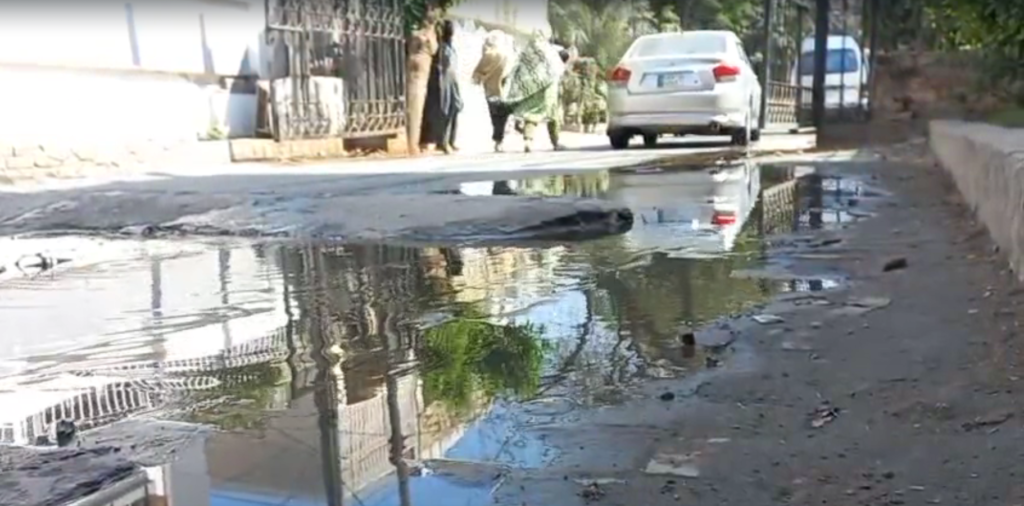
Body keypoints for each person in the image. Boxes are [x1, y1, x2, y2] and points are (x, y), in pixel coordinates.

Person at [504, 33, 569, 153]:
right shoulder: (553, 54)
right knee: (552, 115)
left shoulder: (532, 52)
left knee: (532, 114)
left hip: (533, 86)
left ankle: (528, 140)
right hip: (549, 86)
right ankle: (555, 142)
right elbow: (562, 61)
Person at [421, 20, 462, 154]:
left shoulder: (450, 46)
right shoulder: (440, 47)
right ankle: (443, 142)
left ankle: (450, 140)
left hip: (451, 80)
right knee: (445, 110)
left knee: (455, 107)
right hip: (442, 80)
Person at [472, 30, 513, 153]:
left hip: (490, 91)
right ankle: (499, 140)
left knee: (495, 116)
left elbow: (477, 73)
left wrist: (480, 78)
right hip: (504, 91)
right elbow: (509, 73)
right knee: (502, 117)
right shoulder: (505, 55)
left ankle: (497, 140)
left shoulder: (488, 55)